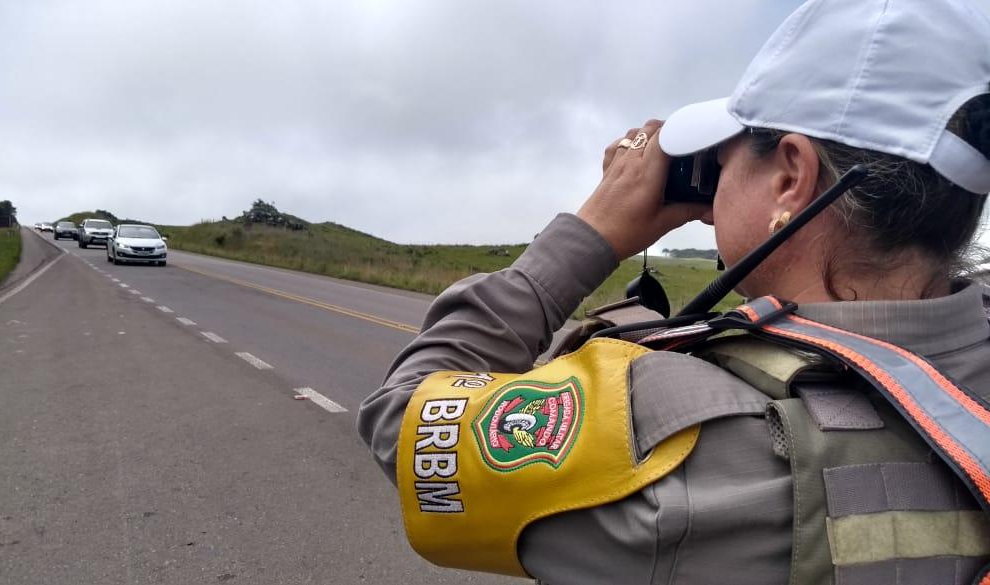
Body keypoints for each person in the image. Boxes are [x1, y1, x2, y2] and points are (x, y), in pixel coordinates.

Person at [358, 0, 990, 583]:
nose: (711, 196)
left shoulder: (675, 433)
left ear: (791, 179)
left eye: (723, 163)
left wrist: (593, 231)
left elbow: (404, 421)